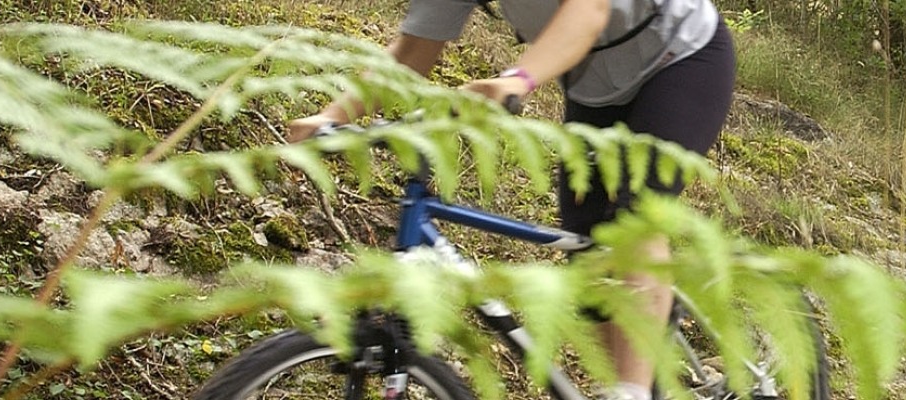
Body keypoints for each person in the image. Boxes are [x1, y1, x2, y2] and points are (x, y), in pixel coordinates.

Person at [284, 1, 736, 399]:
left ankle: (631, 390)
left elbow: (589, 10)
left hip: (681, 57)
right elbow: (411, 51)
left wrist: (517, 79)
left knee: (634, 218)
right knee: (588, 252)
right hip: (596, 91)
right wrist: (332, 117)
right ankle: (628, 366)